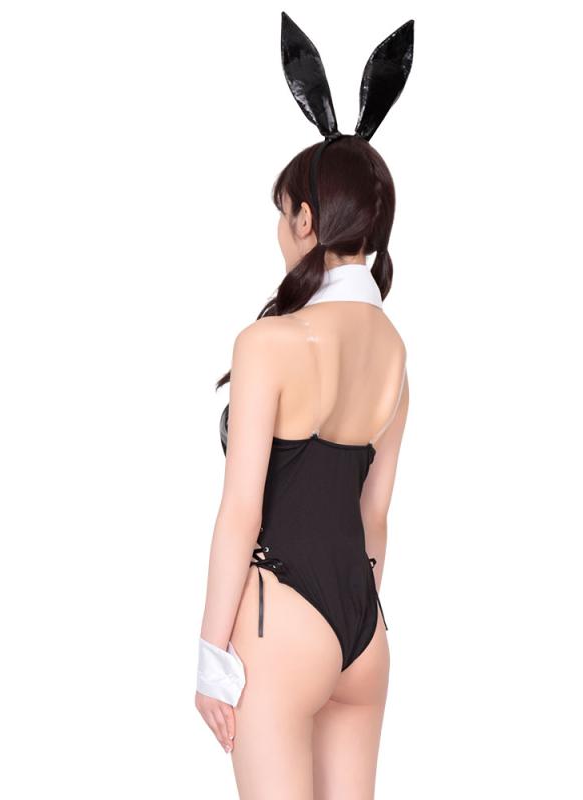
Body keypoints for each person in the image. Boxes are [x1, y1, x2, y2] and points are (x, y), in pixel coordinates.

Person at [195, 13, 413, 798]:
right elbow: (374, 515)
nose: (281, 231)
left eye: (283, 213)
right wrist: (355, 611)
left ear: (307, 219)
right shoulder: (394, 352)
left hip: (279, 625)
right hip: (364, 635)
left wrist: (211, 657)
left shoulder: (269, 344)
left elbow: (240, 512)